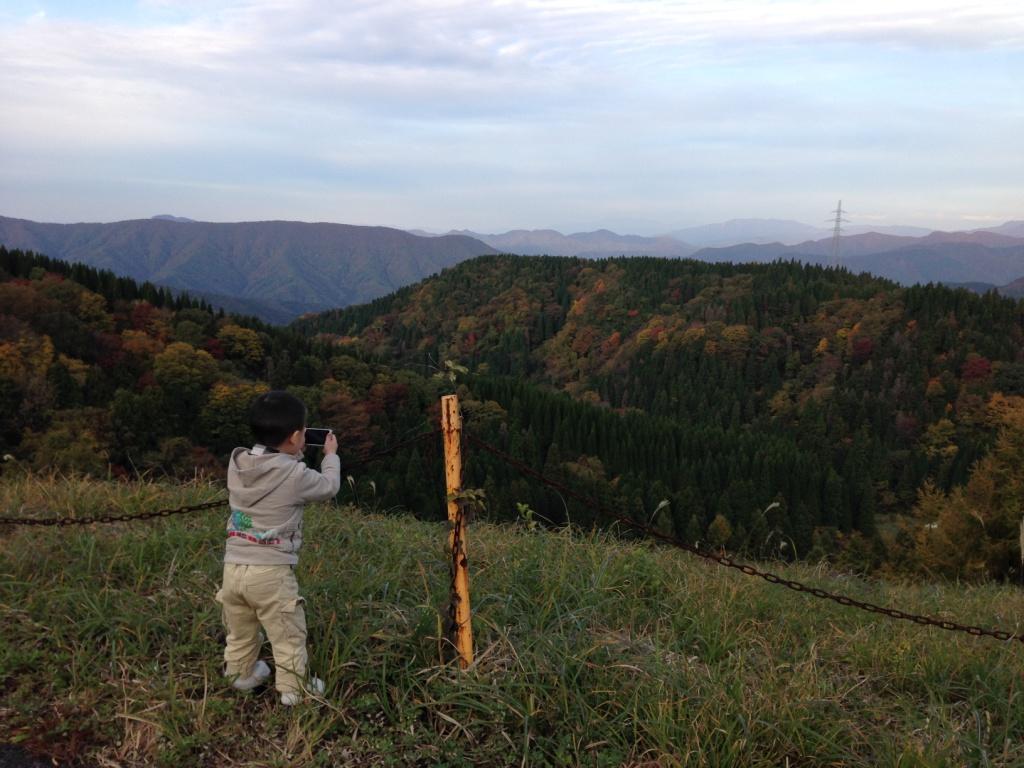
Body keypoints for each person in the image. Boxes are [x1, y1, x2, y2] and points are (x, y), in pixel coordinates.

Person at [215, 390, 340, 705]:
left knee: (240, 630)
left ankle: (241, 675)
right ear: (297, 436)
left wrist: (290, 449)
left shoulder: (239, 463)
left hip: (233, 567)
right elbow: (329, 487)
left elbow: (272, 464)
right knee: (287, 634)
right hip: (270, 572)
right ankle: (295, 690)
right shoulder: (296, 475)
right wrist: (331, 457)